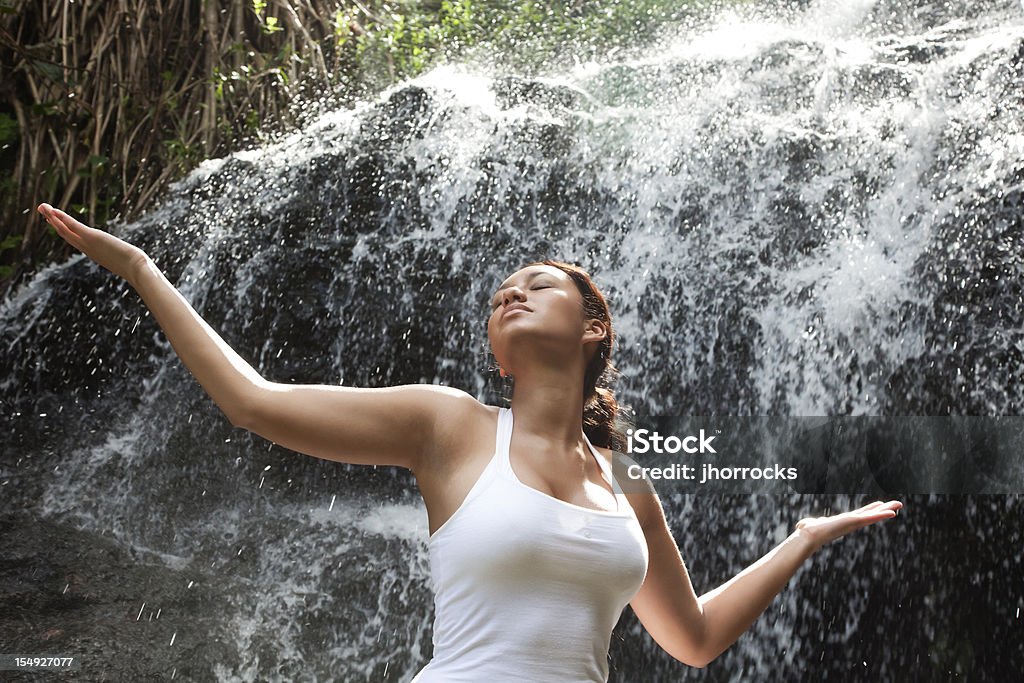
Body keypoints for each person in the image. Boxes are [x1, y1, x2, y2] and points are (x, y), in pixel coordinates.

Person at [36, 202, 904, 680]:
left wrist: (800, 539)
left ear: (593, 322)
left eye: (534, 285)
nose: (509, 296)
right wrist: (144, 271)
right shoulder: (449, 426)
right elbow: (254, 402)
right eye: (498, 298)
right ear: (495, 352)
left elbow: (696, 636)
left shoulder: (628, 480)